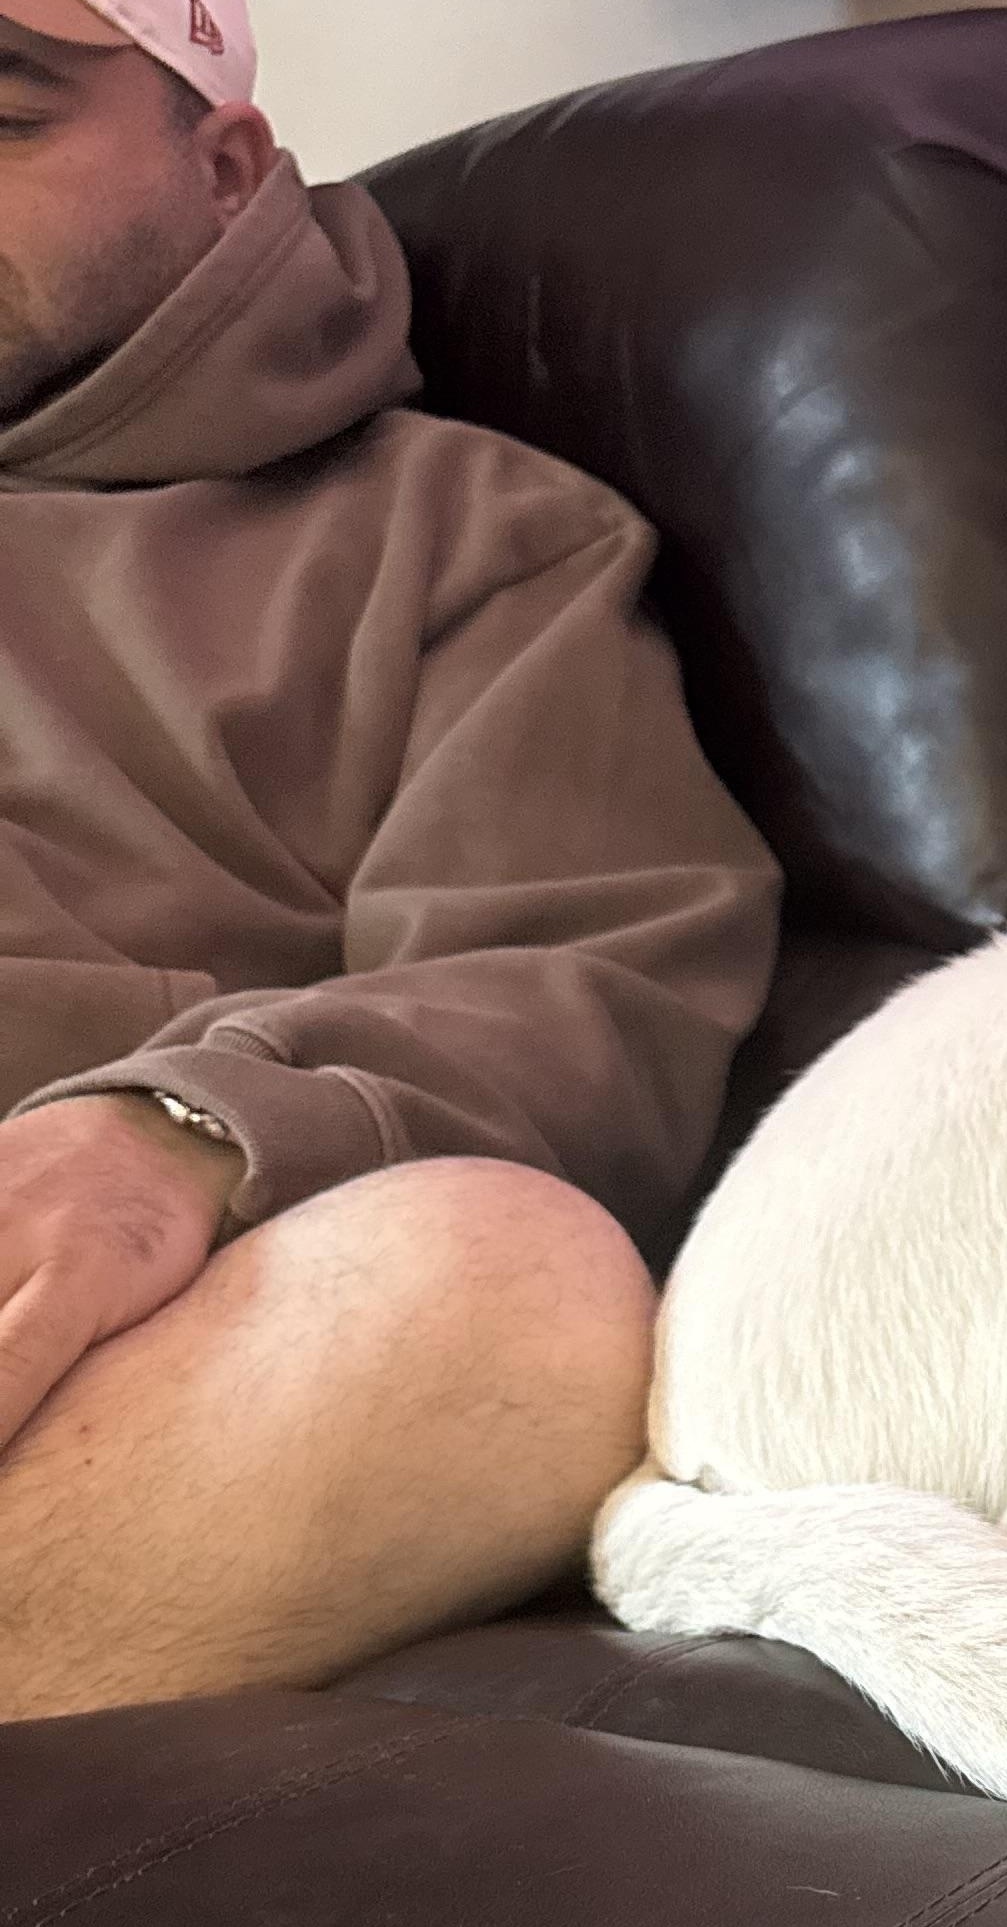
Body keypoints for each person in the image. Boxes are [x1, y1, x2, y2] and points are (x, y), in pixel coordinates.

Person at [0, 0, 781, 1722]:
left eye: (5, 115)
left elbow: (581, 983)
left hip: (118, 1345)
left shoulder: (467, 538)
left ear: (223, 165)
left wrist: (167, 1137)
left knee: (509, 1297)